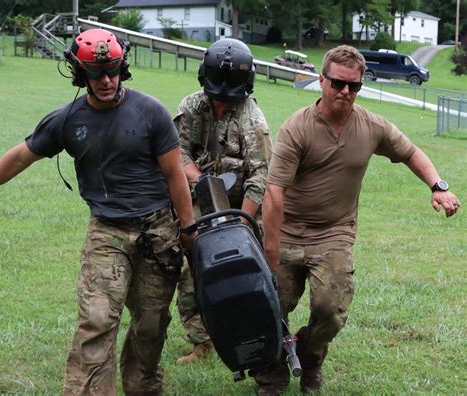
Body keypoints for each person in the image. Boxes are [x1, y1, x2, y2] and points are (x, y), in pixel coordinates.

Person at [0, 28, 195, 395]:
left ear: (123, 66)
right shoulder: (67, 120)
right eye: (95, 72)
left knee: (151, 324)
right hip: (107, 232)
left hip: (157, 231)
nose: (105, 80)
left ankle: (143, 385)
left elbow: (174, 175)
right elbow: (22, 156)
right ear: (79, 72)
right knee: (97, 320)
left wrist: (188, 230)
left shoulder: (150, 112)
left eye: (112, 70)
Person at [257, 45, 461, 395]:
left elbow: (410, 152)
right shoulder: (297, 128)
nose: (346, 92)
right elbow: (274, 193)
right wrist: (271, 253)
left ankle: (310, 354)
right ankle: (271, 374)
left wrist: (437, 185)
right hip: (289, 231)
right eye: (338, 84)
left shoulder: (371, 125)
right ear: (321, 80)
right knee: (272, 304)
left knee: (331, 310)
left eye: (354, 86)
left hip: (334, 233)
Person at [173, 38, 272, 364]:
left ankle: (246, 332)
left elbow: (260, 177)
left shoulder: (253, 120)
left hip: (240, 206)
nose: (220, 105)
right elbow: (179, 152)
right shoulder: (190, 107)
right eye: (215, 98)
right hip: (200, 201)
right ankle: (203, 340)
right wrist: (198, 181)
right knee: (190, 270)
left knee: (244, 269)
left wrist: (241, 225)